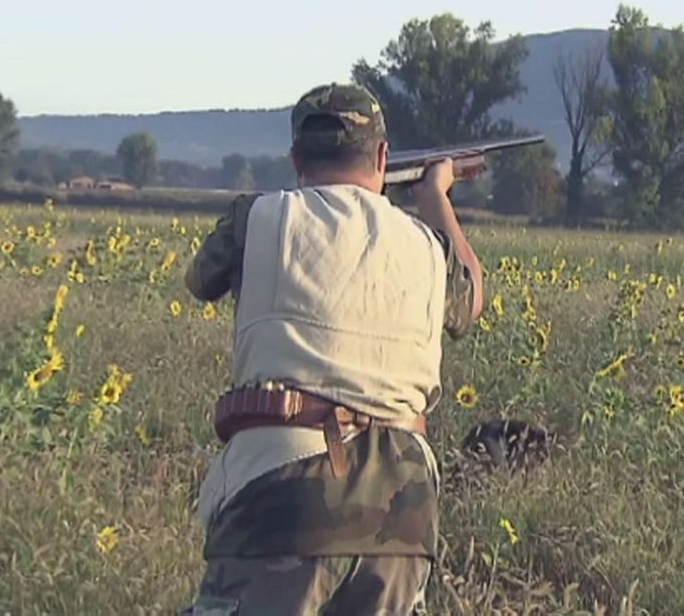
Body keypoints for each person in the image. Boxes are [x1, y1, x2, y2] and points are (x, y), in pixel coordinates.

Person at [180, 83, 483, 615]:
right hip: (403, 503)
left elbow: (200, 280)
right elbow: (470, 300)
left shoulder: (257, 218)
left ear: (297, 158)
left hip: (284, 485)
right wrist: (436, 196)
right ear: (383, 158)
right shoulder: (427, 244)